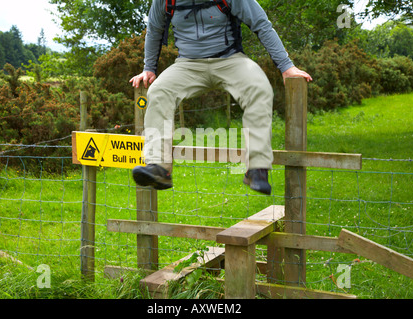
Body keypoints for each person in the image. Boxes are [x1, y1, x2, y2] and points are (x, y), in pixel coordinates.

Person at [130, 0, 312, 195]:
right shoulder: (165, 1)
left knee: (259, 87)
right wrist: (148, 69)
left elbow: (261, 24)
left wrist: (286, 67)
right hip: (187, 64)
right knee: (158, 91)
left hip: (230, 59)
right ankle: (158, 167)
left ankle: (257, 168)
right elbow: (154, 31)